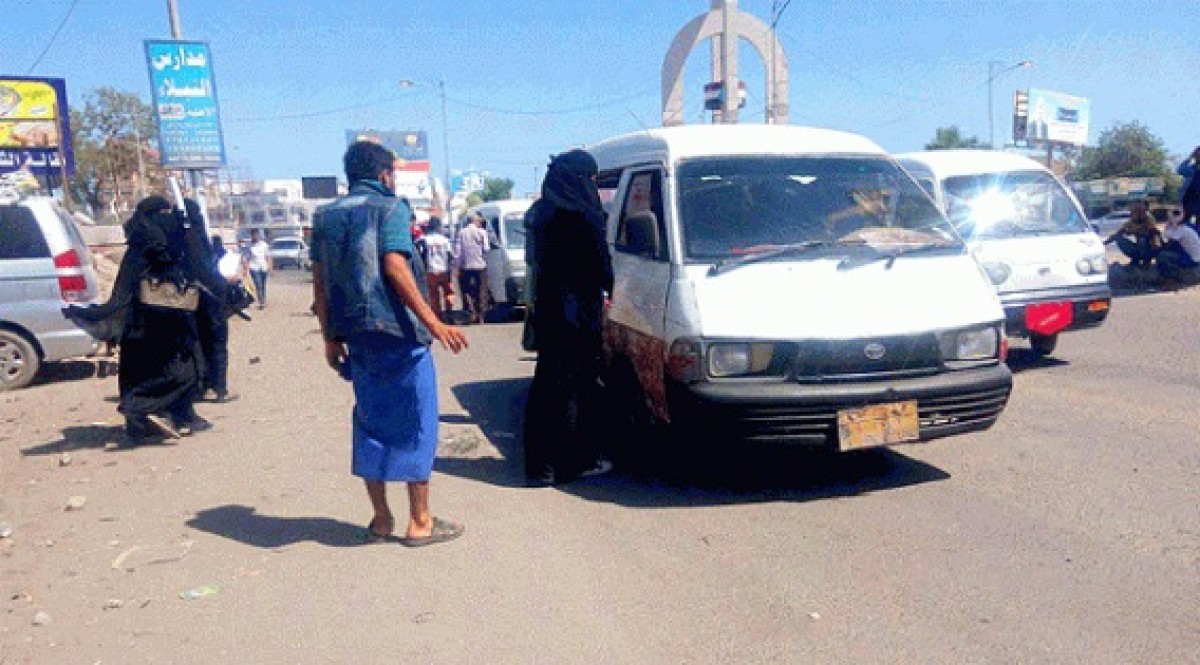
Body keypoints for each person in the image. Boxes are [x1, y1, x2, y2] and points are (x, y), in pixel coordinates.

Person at [311, 140, 469, 546]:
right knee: (417, 421)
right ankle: (420, 521)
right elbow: (395, 265)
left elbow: (321, 283)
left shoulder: (325, 217)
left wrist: (330, 338)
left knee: (370, 421)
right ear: (385, 175)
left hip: (357, 337)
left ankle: (381, 519)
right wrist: (435, 323)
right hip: (399, 335)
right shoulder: (391, 208)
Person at [65, 196, 214, 446]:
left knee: (161, 370)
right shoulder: (151, 248)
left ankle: (177, 416)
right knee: (176, 371)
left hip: (149, 327)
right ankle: (143, 416)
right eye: (164, 213)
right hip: (153, 326)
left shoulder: (147, 244)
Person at [522, 149, 614, 486]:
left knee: (546, 385)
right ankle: (574, 462)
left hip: (549, 310)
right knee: (576, 388)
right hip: (578, 314)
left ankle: (541, 467)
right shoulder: (585, 215)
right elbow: (601, 266)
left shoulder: (540, 214)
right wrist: (610, 287)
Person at [197, 229, 237, 403]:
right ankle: (220, 390)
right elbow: (225, 285)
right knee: (218, 351)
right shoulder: (219, 267)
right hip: (216, 315)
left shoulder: (198, 266)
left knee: (204, 351)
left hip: (201, 315)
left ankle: (205, 387)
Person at [454, 212, 490, 324]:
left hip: (466, 266)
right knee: (482, 289)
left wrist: (458, 266)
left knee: (467, 290)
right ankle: (481, 315)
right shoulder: (482, 232)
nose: (480, 223)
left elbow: (458, 252)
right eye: (479, 221)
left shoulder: (461, 232)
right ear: (475, 221)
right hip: (480, 265)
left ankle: (471, 312)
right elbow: (486, 248)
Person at [1103, 201, 1162, 268]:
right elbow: (1119, 232)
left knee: (1143, 238)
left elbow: (1154, 232)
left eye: (1138, 211)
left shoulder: (1149, 219)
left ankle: (1146, 261)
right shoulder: (1131, 222)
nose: (1133, 214)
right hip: (1139, 247)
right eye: (1133, 212)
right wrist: (1105, 243)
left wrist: (1134, 231)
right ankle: (1135, 259)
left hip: (1151, 248)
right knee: (1118, 238)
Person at [421, 217, 455, 322]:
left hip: (430, 271)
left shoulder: (423, 240)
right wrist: (450, 270)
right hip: (444, 270)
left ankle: (438, 317)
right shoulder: (445, 240)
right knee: (449, 292)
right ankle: (449, 312)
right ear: (438, 227)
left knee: (434, 295)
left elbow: (421, 255)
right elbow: (450, 255)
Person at [1157, 207, 1200, 282]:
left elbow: (1165, 236)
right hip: (1192, 255)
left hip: (1192, 258)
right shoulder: (1185, 227)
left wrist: (1168, 226)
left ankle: (1169, 278)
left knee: (1163, 255)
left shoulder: (1181, 230)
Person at [245, 229, 271, 309]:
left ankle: (263, 300)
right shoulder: (249, 246)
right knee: (258, 285)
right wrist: (245, 269)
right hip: (254, 267)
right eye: (253, 235)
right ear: (251, 235)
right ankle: (261, 303)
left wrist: (270, 267)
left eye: (256, 235)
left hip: (263, 267)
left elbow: (268, 256)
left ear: (259, 235)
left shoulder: (264, 245)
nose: (255, 236)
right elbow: (247, 258)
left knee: (263, 285)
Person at [1178, 146, 1200, 229]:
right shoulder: (1191, 169)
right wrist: (1190, 158)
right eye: (1197, 154)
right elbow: (1180, 170)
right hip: (1188, 201)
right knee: (1183, 223)